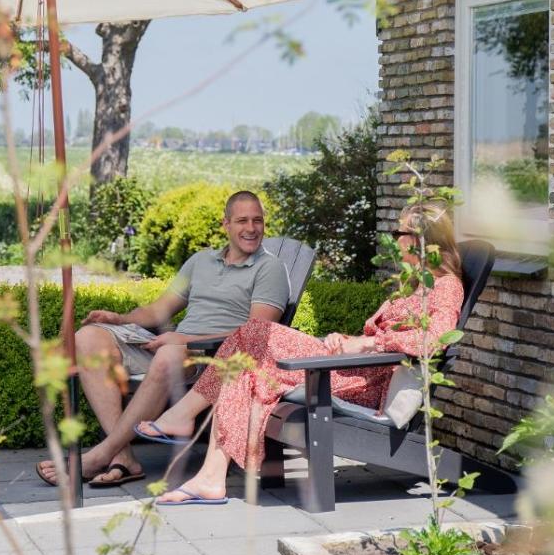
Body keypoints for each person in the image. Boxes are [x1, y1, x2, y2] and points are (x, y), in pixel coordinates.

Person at [138, 201, 464, 505]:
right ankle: (210, 477)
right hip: (348, 365)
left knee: (254, 334)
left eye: (399, 232)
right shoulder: (415, 285)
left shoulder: (446, 286)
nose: (394, 240)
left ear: (421, 240)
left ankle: (185, 422)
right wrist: (347, 339)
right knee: (246, 361)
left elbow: (435, 340)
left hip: (364, 380)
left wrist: (368, 345)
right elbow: (382, 336)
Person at [36, 190, 289, 487]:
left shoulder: (269, 268)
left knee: (169, 354)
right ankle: (124, 457)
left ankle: (101, 454)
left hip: (216, 358)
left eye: (257, 220)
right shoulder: (200, 261)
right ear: (226, 224)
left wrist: (182, 340)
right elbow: (160, 309)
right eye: (242, 221)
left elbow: (255, 334)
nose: (251, 228)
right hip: (177, 346)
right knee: (87, 339)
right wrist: (120, 319)